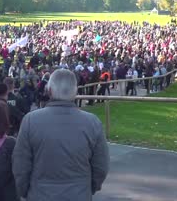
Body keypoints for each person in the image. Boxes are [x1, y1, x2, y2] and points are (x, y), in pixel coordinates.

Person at [12, 69, 109, 201]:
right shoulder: (92, 123)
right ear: (75, 92)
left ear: (49, 91)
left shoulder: (31, 121)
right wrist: (87, 188)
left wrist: (25, 191)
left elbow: (20, 165)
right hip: (77, 193)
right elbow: (101, 167)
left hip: (41, 194)